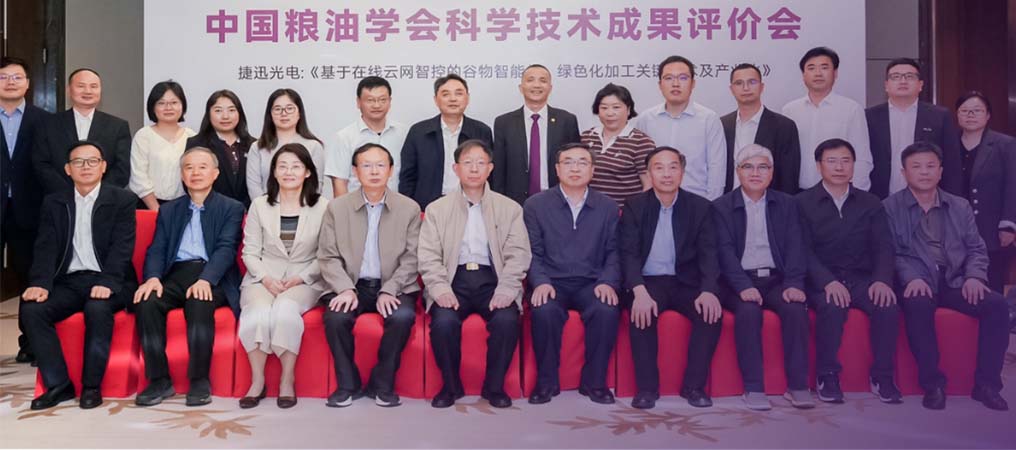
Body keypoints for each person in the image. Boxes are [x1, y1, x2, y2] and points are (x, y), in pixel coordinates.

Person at [884, 141, 1010, 411]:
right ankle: (933, 384)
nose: (924, 172)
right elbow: (890, 252)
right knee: (917, 305)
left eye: (931, 166)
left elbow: (976, 248)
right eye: (916, 166)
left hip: (955, 279)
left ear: (940, 171)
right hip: (917, 280)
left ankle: (987, 385)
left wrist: (975, 277)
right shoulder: (889, 207)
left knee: (997, 305)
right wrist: (910, 277)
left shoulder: (960, 206)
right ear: (904, 173)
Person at [20, 141, 137, 410]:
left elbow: (122, 247)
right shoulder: (55, 202)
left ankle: (91, 386)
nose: (86, 167)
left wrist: (108, 281)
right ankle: (59, 384)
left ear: (103, 166)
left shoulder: (122, 200)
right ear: (67, 169)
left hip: (113, 280)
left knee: (97, 308)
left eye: (93, 161)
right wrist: (40, 283)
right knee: (32, 310)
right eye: (78, 162)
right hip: (70, 281)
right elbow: (46, 246)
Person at [419, 139, 531, 409]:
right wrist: (440, 288)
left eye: (481, 163)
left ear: (490, 168)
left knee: (506, 320)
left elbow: (518, 254)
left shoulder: (510, 208)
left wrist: (508, 289)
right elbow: (428, 255)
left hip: (493, 279)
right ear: (455, 168)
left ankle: (494, 387)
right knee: (444, 323)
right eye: (467, 163)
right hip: (452, 279)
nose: (474, 169)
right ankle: (450, 386)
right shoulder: (437, 209)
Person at [132, 147, 244, 407]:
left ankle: (199, 379)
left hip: (213, 275)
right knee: (147, 301)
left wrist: (206, 279)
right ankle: (159, 379)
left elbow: (226, 248)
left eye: (202, 167)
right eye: (189, 167)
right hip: (176, 274)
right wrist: (152, 278)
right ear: (182, 175)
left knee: (199, 301)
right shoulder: (169, 210)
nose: (195, 173)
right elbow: (157, 248)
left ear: (215, 173)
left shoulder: (231, 207)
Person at [796, 138, 901, 405]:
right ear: (819, 166)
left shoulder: (871, 202)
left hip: (861, 278)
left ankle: (883, 376)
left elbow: (883, 246)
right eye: (831, 161)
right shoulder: (802, 203)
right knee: (832, 306)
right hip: (822, 280)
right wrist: (827, 281)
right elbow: (802, 250)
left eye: (846, 161)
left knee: (887, 305)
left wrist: (882, 280)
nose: (839, 167)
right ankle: (827, 375)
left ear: (854, 165)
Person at [319, 143, 422, 408]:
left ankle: (382, 384)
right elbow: (328, 256)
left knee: (402, 317)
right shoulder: (337, 208)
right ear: (355, 171)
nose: (374, 171)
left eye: (380, 165)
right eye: (366, 165)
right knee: (335, 317)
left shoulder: (409, 208)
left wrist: (390, 289)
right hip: (351, 284)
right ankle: (348, 385)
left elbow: (412, 258)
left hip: (394, 285)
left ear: (391, 170)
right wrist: (345, 288)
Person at [620, 146, 722, 409]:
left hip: (686, 282)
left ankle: (694, 387)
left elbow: (710, 253)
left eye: (673, 167)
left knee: (710, 314)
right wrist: (638, 291)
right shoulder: (635, 206)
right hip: (648, 282)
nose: (667, 174)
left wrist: (708, 290)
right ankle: (647, 389)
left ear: (682, 172)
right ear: (649, 173)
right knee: (641, 313)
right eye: (659, 167)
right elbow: (628, 253)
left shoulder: (700, 207)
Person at [713, 144, 812, 411]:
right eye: (748, 167)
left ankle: (798, 386)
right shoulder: (721, 207)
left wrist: (794, 284)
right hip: (737, 282)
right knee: (748, 312)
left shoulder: (788, 204)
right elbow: (723, 253)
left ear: (772, 172)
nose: (755, 173)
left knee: (795, 309)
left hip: (776, 279)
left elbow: (796, 246)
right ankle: (754, 387)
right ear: (738, 172)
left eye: (762, 167)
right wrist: (743, 286)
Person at [524, 143, 620, 406]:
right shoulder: (535, 205)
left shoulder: (608, 207)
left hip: (592, 282)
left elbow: (614, 251)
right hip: (552, 281)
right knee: (544, 310)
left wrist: (608, 281)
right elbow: (532, 252)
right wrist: (540, 282)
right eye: (568, 162)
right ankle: (546, 383)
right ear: (557, 169)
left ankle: (595, 383)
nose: (575, 168)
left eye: (582, 162)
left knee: (605, 309)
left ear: (593, 170)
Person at [237, 143, 328, 409]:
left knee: (285, 310)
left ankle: (287, 379)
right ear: (274, 172)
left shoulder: (323, 206)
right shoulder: (260, 205)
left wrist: (300, 278)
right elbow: (250, 252)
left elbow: (326, 253)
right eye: (283, 166)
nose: (289, 172)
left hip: (305, 278)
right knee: (256, 313)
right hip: (263, 277)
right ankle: (257, 381)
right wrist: (266, 278)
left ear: (308, 172)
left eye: (296, 166)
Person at [0, 56, 50, 364]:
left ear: (28, 84)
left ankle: (30, 342)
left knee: (30, 277)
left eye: (17, 77)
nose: (10, 82)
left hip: (29, 210)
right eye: (4, 77)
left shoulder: (43, 120)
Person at [866, 58, 962, 198]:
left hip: (928, 199)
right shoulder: (869, 117)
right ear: (886, 85)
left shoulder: (940, 116)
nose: (903, 81)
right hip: (880, 198)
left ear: (920, 85)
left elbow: (952, 163)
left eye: (909, 76)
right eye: (896, 77)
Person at [782, 47, 874, 192]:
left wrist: (856, 194)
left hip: (837, 191)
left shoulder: (851, 109)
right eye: (811, 68)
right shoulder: (790, 110)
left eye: (824, 67)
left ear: (835, 73)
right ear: (803, 75)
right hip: (797, 193)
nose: (818, 73)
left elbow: (861, 157)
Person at [635, 56, 726, 200]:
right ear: (660, 84)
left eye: (683, 78)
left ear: (693, 83)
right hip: (654, 202)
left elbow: (717, 168)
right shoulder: (645, 119)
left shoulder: (709, 119)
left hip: (697, 202)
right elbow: (640, 167)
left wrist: (710, 205)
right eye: (669, 78)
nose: (675, 84)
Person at [399, 74, 493, 209]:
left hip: (472, 205)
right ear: (436, 100)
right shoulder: (418, 132)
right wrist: (411, 209)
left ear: (467, 98)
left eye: (458, 93)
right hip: (428, 207)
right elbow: (407, 177)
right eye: (446, 94)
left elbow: (490, 175)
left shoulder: (481, 131)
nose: (453, 99)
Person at [491, 64, 581, 204]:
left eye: (543, 80)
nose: (537, 85)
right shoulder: (504, 123)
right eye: (530, 80)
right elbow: (499, 169)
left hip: (558, 199)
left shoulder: (567, 120)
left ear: (550, 88)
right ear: (521, 87)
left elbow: (575, 163)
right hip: (515, 202)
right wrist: (499, 202)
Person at [953, 91, 1015, 293]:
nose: (970, 115)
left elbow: (1012, 185)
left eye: (977, 110)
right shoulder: (948, 143)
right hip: (955, 227)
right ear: (957, 114)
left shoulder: (1005, 144)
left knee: (992, 284)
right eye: (965, 110)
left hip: (991, 228)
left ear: (988, 115)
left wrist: (1008, 225)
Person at [34, 68, 131, 193]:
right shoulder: (48, 124)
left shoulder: (117, 126)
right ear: (69, 90)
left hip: (105, 199)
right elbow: (41, 164)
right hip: (59, 197)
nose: (88, 91)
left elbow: (122, 168)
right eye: (81, 86)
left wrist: (97, 194)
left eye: (94, 86)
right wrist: (70, 194)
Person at [720, 63, 801, 194]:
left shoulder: (784, 126)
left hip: (769, 202)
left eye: (752, 82)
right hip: (728, 201)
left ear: (762, 86)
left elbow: (789, 177)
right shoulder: (722, 125)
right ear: (732, 89)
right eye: (739, 83)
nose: (746, 88)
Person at [325, 77, 406, 198]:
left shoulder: (403, 133)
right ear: (358, 102)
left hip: (395, 206)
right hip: (357, 206)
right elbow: (339, 182)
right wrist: (345, 209)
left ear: (390, 101)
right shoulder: (344, 137)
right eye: (370, 100)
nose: (377, 105)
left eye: (382, 100)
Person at [581, 83, 655, 206]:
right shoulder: (587, 137)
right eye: (604, 108)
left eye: (616, 107)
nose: (610, 113)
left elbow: (649, 185)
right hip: (589, 210)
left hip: (625, 211)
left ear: (628, 109)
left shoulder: (641, 142)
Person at [247, 88, 326, 200]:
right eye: (277, 109)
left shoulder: (314, 146)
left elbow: (316, 186)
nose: (284, 113)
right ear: (270, 114)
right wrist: (266, 207)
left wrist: (296, 207)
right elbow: (254, 187)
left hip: (304, 208)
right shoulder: (258, 147)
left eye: (289, 108)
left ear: (299, 113)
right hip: (265, 208)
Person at [129, 80, 196, 209]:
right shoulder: (144, 136)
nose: (168, 108)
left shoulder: (191, 136)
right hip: (148, 205)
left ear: (182, 105)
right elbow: (138, 177)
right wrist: (157, 210)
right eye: (161, 103)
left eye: (174, 102)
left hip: (185, 205)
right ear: (153, 107)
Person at [186, 89, 255, 208]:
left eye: (231, 110)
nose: (225, 116)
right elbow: (191, 179)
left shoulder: (254, 145)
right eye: (218, 110)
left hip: (249, 211)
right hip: (211, 210)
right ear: (209, 114)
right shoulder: (197, 144)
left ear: (239, 113)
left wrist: (244, 208)